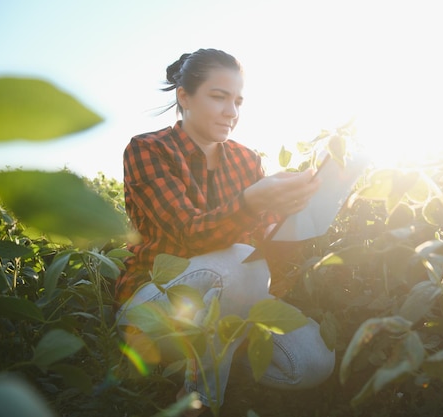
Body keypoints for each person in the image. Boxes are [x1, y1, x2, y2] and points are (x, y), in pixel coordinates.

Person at [115, 48, 335, 415]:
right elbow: (190, 234)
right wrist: (250, 201)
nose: (231, 112)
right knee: (235, 261)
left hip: (230, 305)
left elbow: (263, 247)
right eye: (218, 97)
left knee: (312, 363)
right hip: (155, 308)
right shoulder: (148, 149)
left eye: (238, 101)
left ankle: (213, 361)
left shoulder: (246, 159)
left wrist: (293, 217)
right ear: (184, 97)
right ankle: (200, 403)